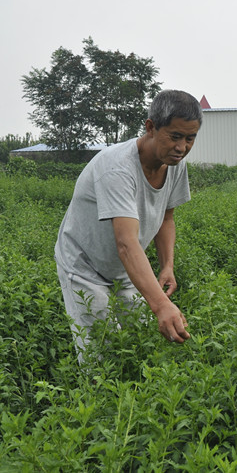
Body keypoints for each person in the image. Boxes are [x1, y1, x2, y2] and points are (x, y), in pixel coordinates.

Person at [54, 89, 201, 363]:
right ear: (150, 128)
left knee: (142, 340)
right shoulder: (118, 168)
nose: (182, 147)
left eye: (190, 138)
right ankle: (98, 400)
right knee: (102, 352)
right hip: (85, 265)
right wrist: (161, 305)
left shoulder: (175, 163)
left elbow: (166, 217)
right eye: (175, 136)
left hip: (124, 268)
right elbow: (126, 243)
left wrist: (167, 265)